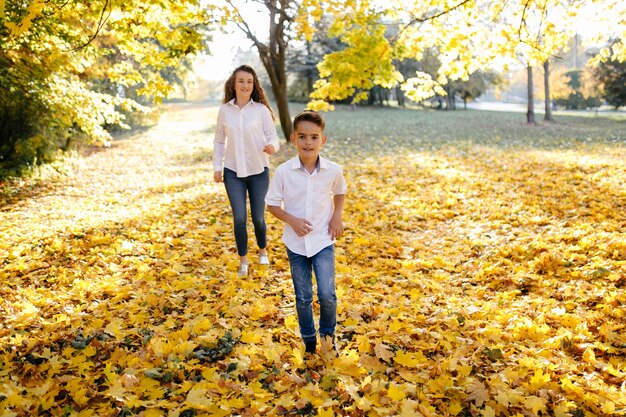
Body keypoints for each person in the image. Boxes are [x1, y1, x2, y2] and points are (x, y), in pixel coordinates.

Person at [265, 110, 347, 355]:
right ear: (293, 139)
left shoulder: (333, 170)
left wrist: (337, 216)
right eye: (302, 137)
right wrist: (291, 220)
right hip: (296, 244)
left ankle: (328, 336)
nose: (308, 142)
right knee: (302, 296)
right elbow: (271, 205)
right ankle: (309, 341)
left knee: (327, 294)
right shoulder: (284, 171)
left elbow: (340, 192)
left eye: (314, 137)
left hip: (323, 240)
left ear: (323, 140)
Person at [213, 65, 280, 277]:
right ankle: (243, 261)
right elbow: (219, 140)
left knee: (259, 218)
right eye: (241, 81)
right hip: (232, 171)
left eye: (249, 81)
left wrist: (273, 146)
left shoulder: (261, 111)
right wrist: (217, 166)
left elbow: (272, 136)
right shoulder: (225, 111)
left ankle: (262, 251)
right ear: (234, 83)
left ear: (254, 85)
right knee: (240, 218)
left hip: (258, 170)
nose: (245, 85)